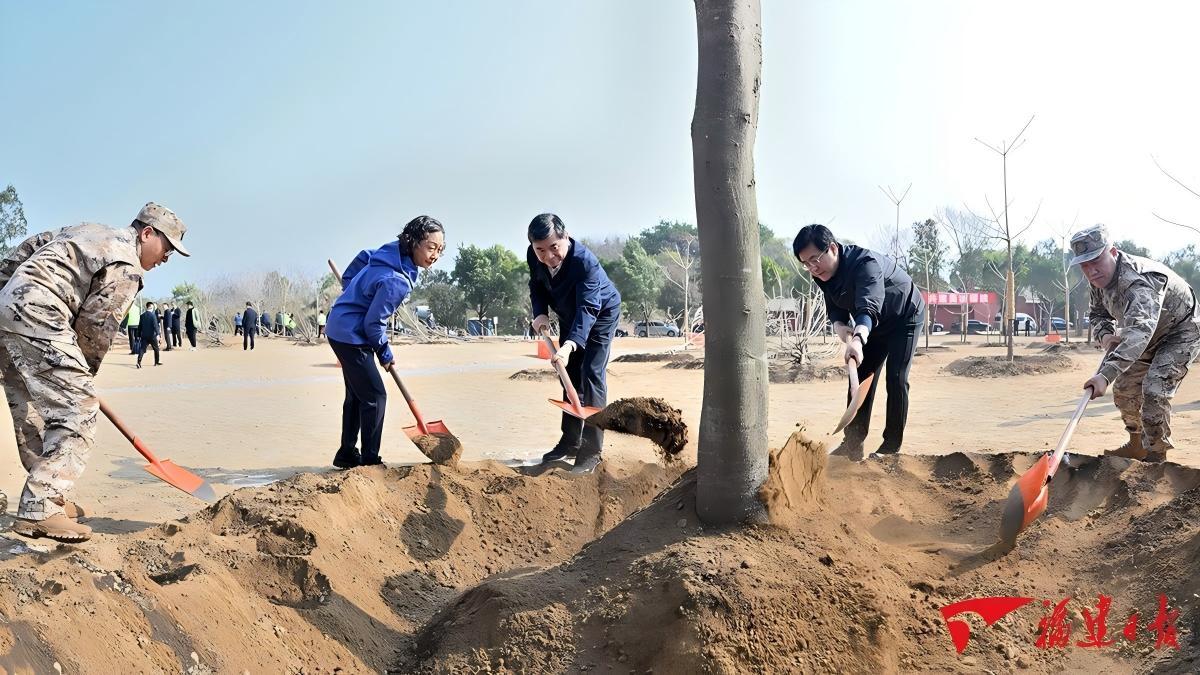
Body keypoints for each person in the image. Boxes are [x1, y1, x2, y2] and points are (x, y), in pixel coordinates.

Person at [0, 202, 188, 542]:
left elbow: (23, 251)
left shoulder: (89, 230)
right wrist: (81, 378)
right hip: (42, 315)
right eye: (167, 248)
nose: (166, 258)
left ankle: (50, 493)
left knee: (29, 409)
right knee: (77, 408)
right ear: (147, 233)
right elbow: (96, 327)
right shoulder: (127, 266)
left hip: (7, 310)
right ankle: (41, 505)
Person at [793, 224, 925, 459]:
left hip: (904, 316)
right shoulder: (823, 274)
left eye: (815, 259)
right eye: (806, 264)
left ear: (832, 248)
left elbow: (869, 304)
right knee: (862, 374)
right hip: (873, 324)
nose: (812, 268)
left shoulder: (865, 264)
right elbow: (835, 308)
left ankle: (891, 447)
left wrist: (858, 338)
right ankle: (853, 443)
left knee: (896, 377)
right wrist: (842, 329)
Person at [1073, 225, 1200, 462]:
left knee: (1154, 389)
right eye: (1085, 265)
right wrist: (1105, 335)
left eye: (1096, 260)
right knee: (1125, 389)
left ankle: (1156, 456)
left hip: (1179, 332)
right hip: (1146, 334)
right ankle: (1136, 444)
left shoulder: (1139, 282)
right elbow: (1097, 314)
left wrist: (1105, 375)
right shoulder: (1097, 280)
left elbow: (1138, 333)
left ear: (1112, 252)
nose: (1091, 270)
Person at [326, 216, 445, 469]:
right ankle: (370, 460)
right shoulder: (397, 281)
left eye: (440, 249)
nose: (435, 254)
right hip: (351, 336)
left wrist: (351, 287)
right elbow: (373, 324)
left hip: (341, 328)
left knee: (358, 396)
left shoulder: (388, 253)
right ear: (413, 242)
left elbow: (362, 256)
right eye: (431, 247)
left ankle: (347, 453)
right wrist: (385, 352)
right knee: (375, 396)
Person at [527, 213, 621, 474]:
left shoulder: (584, 263)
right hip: (569, 313)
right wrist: (540, 312)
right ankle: (570, 441)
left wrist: (568, 347)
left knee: (591, 373)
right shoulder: (533, 254)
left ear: (565, 237)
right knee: (568, 375)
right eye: (540, 250)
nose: (548, 256)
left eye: (554, 247)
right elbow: (536, 284)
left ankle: (592, 451)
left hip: (600, 313)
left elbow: (589, 309)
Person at [137, 301, 163, 368]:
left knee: (142, 349)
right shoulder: (153, 315)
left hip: (144, 336)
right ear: (151, 307)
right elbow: (155, 326)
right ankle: (156, 362)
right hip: (152, 336)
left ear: (146, 307)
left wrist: (138, 335)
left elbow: (140, 326)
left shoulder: (142, 316)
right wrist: (158, 334)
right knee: (156, 349)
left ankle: (139, 362)